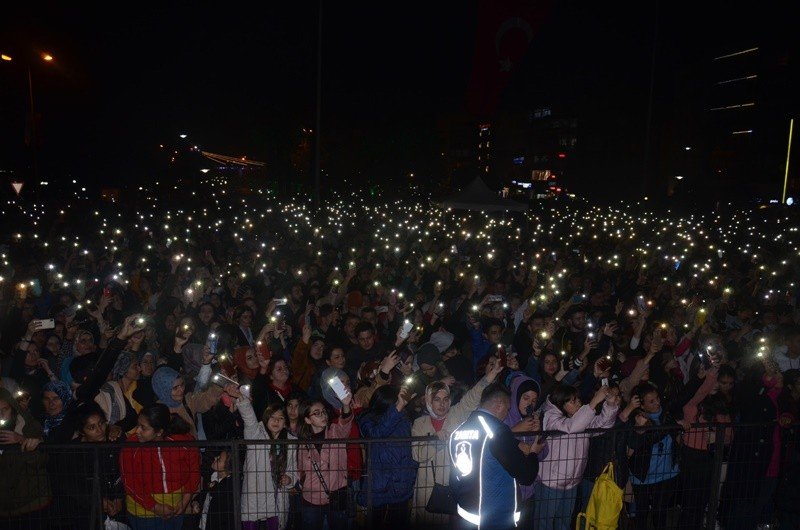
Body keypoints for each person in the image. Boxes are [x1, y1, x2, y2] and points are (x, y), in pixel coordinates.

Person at [411, 359, 503, 527]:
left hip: (454, 487)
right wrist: (436, 441)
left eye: (446, 399)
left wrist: (491, 375)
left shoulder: (456, 414)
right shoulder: (420, 424)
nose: (442, 404)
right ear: (428, 401)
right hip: (428, 487)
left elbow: (473, 396)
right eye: (437, 399)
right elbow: (417, 455)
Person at [449, 383, 541, 530]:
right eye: (508, 408)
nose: (507, 413)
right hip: (494, 518)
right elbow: (526, 476)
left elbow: (454, 478)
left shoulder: (458, 431)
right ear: (499, 405)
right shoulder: (497, 431)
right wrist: (534, 452)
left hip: (466, 515)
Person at [533, 383, 620, 530]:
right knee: (544, 523)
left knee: (564, 523)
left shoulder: (579, 419)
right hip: (551, 482)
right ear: (561, 403)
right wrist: (593, 402)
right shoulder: (551, 418)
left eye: (578, 399)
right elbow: (570, 427)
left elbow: (602, 425)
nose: (579, 402)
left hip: (572, 482)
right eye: (573, 401)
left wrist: (610, 404)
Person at [120, 403, 202, 530]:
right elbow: (129, 482)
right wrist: (154, 506)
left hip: (176, 509)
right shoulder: (131, 447)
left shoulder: (183, 442)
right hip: (143, 513)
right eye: (138, 425)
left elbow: (194, 471)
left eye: (143, 427)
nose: (137, 431)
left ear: (159, 432)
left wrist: (186, 499)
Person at [356, 384, 419, 529]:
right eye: (396, 401)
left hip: (401, 482)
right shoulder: (367, 419)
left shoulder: (403, 418)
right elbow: (376, 435)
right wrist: (398, 407)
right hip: (379, 484)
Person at [235, 397, 298, 530]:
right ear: (265, 419)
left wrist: (289, 478)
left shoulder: (290, 442)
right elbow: (249, 420)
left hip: (276, 497)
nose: (276, 421)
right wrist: (245, 402)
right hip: (255, 494)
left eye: (280, 418)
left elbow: (293, 469)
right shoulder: (255, 434)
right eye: (272, 417)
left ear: (285, 422)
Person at [296, 393, 354, 530]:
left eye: (324, 412)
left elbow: (345, 425)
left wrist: (346, 405)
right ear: (307, 420)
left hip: (337, 494)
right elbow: (299, 468)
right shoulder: (303, 442)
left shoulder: (335, 432)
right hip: (311, 497)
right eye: (317, 413)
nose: (323, 415)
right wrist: (302, 481)